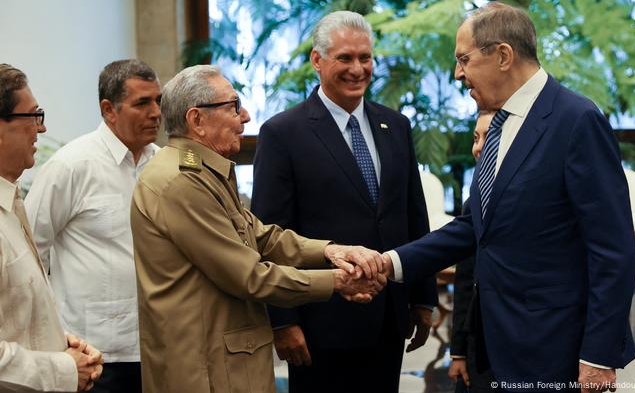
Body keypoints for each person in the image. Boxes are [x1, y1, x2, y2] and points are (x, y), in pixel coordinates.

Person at [383, 2, 635, 392]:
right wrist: (391, 263)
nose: (458, 74)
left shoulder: (577, 121)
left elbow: (612, 250)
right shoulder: (496, 125)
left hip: (555, 352)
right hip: (489, 348)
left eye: (463, 59)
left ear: (502, 55)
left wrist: (599, 356)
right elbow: (476, 227)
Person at [130, 64, 386, 393]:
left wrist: (331, 251)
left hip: (224, 358)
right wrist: (336, 281)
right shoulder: (180, 182)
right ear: (197, 120)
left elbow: (261, 235)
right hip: (203, 369)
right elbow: (249, 276)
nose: (246, 116)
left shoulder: (203, 171)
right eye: (233, 106)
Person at [251, 11, 437, 393]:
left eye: (365, 58)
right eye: (345, 58)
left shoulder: (396, 125)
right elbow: (269, 234)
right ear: (317, 61)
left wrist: (423, 297)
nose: (358, 69)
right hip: (322, 323)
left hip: (389, 315)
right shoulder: (283, 133)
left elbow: (413, 217)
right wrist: (283, 322)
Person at [25, 59, 161, 393]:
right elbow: (29, 252)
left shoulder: (162, 164)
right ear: (109, 109)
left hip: (159, 344)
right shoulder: (71, 166)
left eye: (158, 100)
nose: (156, 112)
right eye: (142, 103)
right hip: (96, 352)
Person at [0, 63, 103, 392]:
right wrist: (62, 369)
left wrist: (58, 343)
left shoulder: (12, 201)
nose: (41, 129)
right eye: (33, 115)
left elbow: (15, 314)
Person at [448, 110, 496, 393]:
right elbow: (465, 281)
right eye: (475, 138)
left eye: (488, 137)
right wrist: (458, 352)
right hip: (479, 341)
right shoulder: (473, 202)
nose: (478, 147)